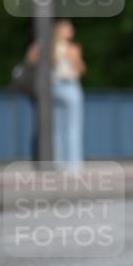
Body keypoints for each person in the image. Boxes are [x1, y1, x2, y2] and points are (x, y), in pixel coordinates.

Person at [51, 19, 86, 169]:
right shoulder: (64, 48)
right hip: (63, 86)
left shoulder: (54, 48)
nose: (71, 30)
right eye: (68, 28)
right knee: (68, 127)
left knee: (63, 128)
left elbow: (81, 70)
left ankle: (65, 164)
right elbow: (80, 70)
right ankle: (69, 165)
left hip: (62, 86)